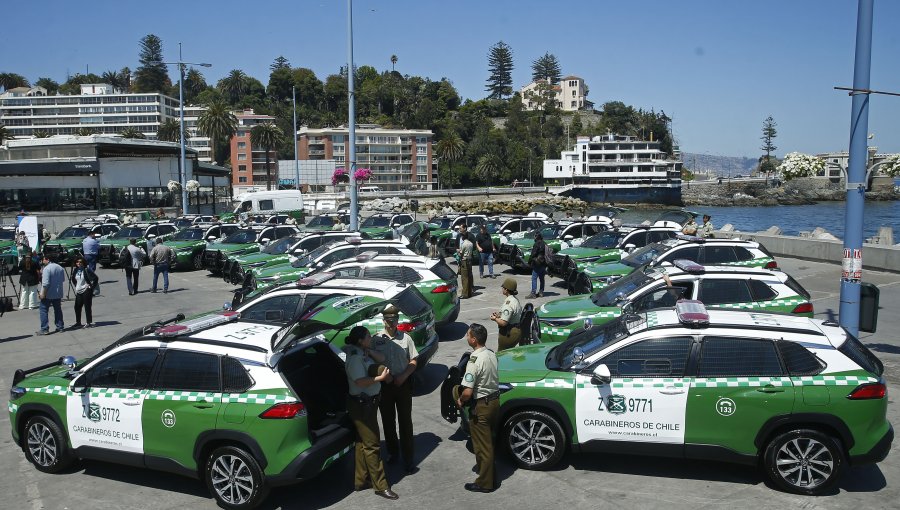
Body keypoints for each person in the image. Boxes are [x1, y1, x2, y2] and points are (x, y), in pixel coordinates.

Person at [343, 326, 399, 500]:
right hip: (362, 407)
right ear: (360, 340)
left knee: (362, 443)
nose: (370, 338)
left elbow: (382, 358)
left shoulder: (362, 352)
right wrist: (379, 379)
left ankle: (361, 480)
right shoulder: (354, 358)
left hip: (369, 404)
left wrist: (369, 350)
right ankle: (380, 486)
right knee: (372, 444)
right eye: (368, 337)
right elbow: (360, 381)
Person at [373, 305, 419, 474]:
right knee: (388, 421)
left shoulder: (406, 338)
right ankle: (393, 452)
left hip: (403, 384)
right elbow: (371, 361)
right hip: (385, 386)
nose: (391, 324)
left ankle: (408, 458)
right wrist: (383, 376)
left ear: (398, 321)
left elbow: (414, 360)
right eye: (388, 321)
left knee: (405, 422)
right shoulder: (375, 340)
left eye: (394, 321)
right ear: (383, 321)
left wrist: (404, 375)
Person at [453, 323, 499, 493]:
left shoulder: (474, 360)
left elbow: (467, 391)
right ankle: (490, 474)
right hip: (494, 402)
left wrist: (460, 400)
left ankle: (485, 483)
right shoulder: (491, 354)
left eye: (468, 335)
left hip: (481, 405)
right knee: (489, 443)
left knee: (482, 446)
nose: (466, 337)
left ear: (474, 339)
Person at [36, 253, 65, 335]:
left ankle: (44, 328)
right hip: (58, 292)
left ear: (47, 259)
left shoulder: (47, 269)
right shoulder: (60, 267)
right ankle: (60, 326)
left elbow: (45, 283)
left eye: (43, 259)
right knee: (58, 310)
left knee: (43, 310)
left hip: (48, 293)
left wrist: (43, 294)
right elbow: (62, 279)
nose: (42, 261)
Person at [492, 278, 522, 351]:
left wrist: (495, 319)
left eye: (503, 288)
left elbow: (503, 323)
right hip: (516, 331)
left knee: (501, 354)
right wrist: (499, 315)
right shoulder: (515, 300)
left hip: (509, 333)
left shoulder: (508, 304)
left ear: (506, 290)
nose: (502, 289)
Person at [69, 257, 98, 328]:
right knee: (77, 307)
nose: (79, 263)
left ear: (83, 263)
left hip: (86, 290)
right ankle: (78, 322)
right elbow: (73, 278)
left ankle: (88, 322)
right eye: (77, 262)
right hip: (79, 291)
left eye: (80, 262)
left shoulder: (86, 270)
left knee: (87, 306)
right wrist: (76, 285)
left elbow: (95, 278)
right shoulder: (75, 270)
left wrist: (91, 287)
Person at [528, 232, 552, 298]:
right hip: (544, 264)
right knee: (542, 279)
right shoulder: (545, 244)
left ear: (536, 237)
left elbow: (533, 254)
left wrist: (529, 262)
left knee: (534, 278)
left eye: (535, 236)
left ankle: (533, 293)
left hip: (537, 264)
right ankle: (541, 292)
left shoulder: (536, 244)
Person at [457, 225, 475, 298]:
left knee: (464, 278)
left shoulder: (464, 244)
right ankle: (469, 292)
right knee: (469, 277)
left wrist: (458, 252)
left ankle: (465, 294)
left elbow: (461, 253)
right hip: (470, 260)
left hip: (464, 261)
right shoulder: (471, 244)